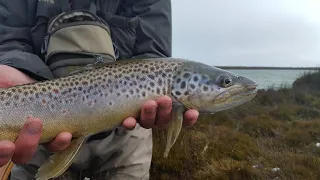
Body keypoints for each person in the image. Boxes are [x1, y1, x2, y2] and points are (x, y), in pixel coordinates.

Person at [0, 0, 199, 179]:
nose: (229, 88)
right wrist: (13, 67)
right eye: (224, 83)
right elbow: (10, 39)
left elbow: (152, 53)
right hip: (37, 130)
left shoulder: (166, 81)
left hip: (126, 132)